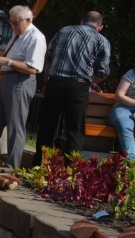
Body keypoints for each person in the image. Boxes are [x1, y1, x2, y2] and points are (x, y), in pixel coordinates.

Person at [33, 11, 110, 165]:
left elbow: (48, 58)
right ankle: (69, 169)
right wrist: (89, 81)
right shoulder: (102, 40)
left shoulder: (64, 30)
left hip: (55, 82)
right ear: (100, 27)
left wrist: (47, 81)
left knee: (47, 126)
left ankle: (40, 164)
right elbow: (103, 72)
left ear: (82, 21)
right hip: (79, 86)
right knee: (75, 130)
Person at [0, 6, 47, 168]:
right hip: (7, 79)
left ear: (28, 21)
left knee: (15, 126)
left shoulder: (36, 37)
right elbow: (6, 54)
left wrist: (7, 62)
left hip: (20, 80)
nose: (13, 26)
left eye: (16, 23)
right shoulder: (18, 35)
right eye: (11, 22)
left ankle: (12, 167)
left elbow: (33, 68)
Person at [109, 70, 135, 158]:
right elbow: (119, 95)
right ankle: (132, 160)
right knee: (125, 124)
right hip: (123, 108)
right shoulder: (132, 73)